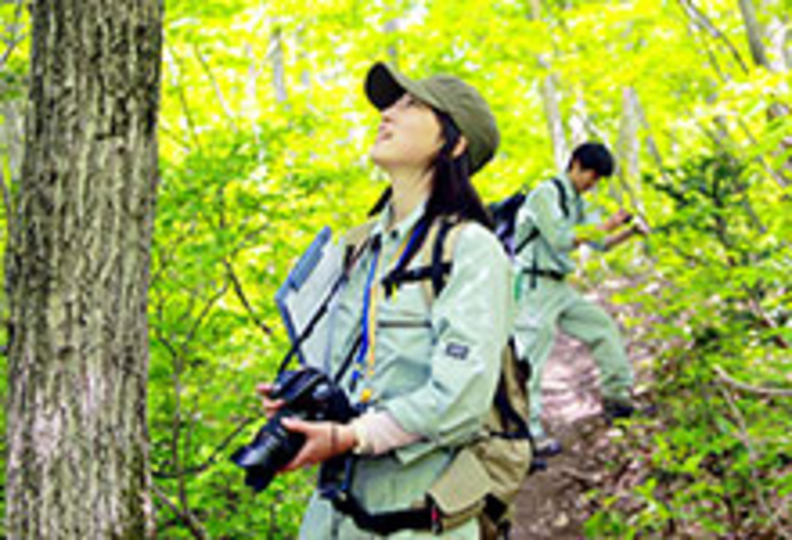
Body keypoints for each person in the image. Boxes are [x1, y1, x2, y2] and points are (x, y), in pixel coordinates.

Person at [259, 61, 512, 538]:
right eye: (390, 104)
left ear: (454, 143)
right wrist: (305, 401)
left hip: (413, 513)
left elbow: (462, 397)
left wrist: (353, 436)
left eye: (411, 104)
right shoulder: (358, 248)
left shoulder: (471, 249)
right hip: (329, 509)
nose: (388, 115)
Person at [512, 142, 646, 457]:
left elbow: (599, 243)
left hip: (559, 286)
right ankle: (527, 433)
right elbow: (560, 239)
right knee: (530, 358)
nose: (591, 182)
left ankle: (617, 398)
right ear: (574, 164)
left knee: (600, 327)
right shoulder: (546, 194)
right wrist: (608, 223)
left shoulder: (577, 201)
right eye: (590, 174)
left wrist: (630, 232)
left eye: (597, 179)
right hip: (533, 284)